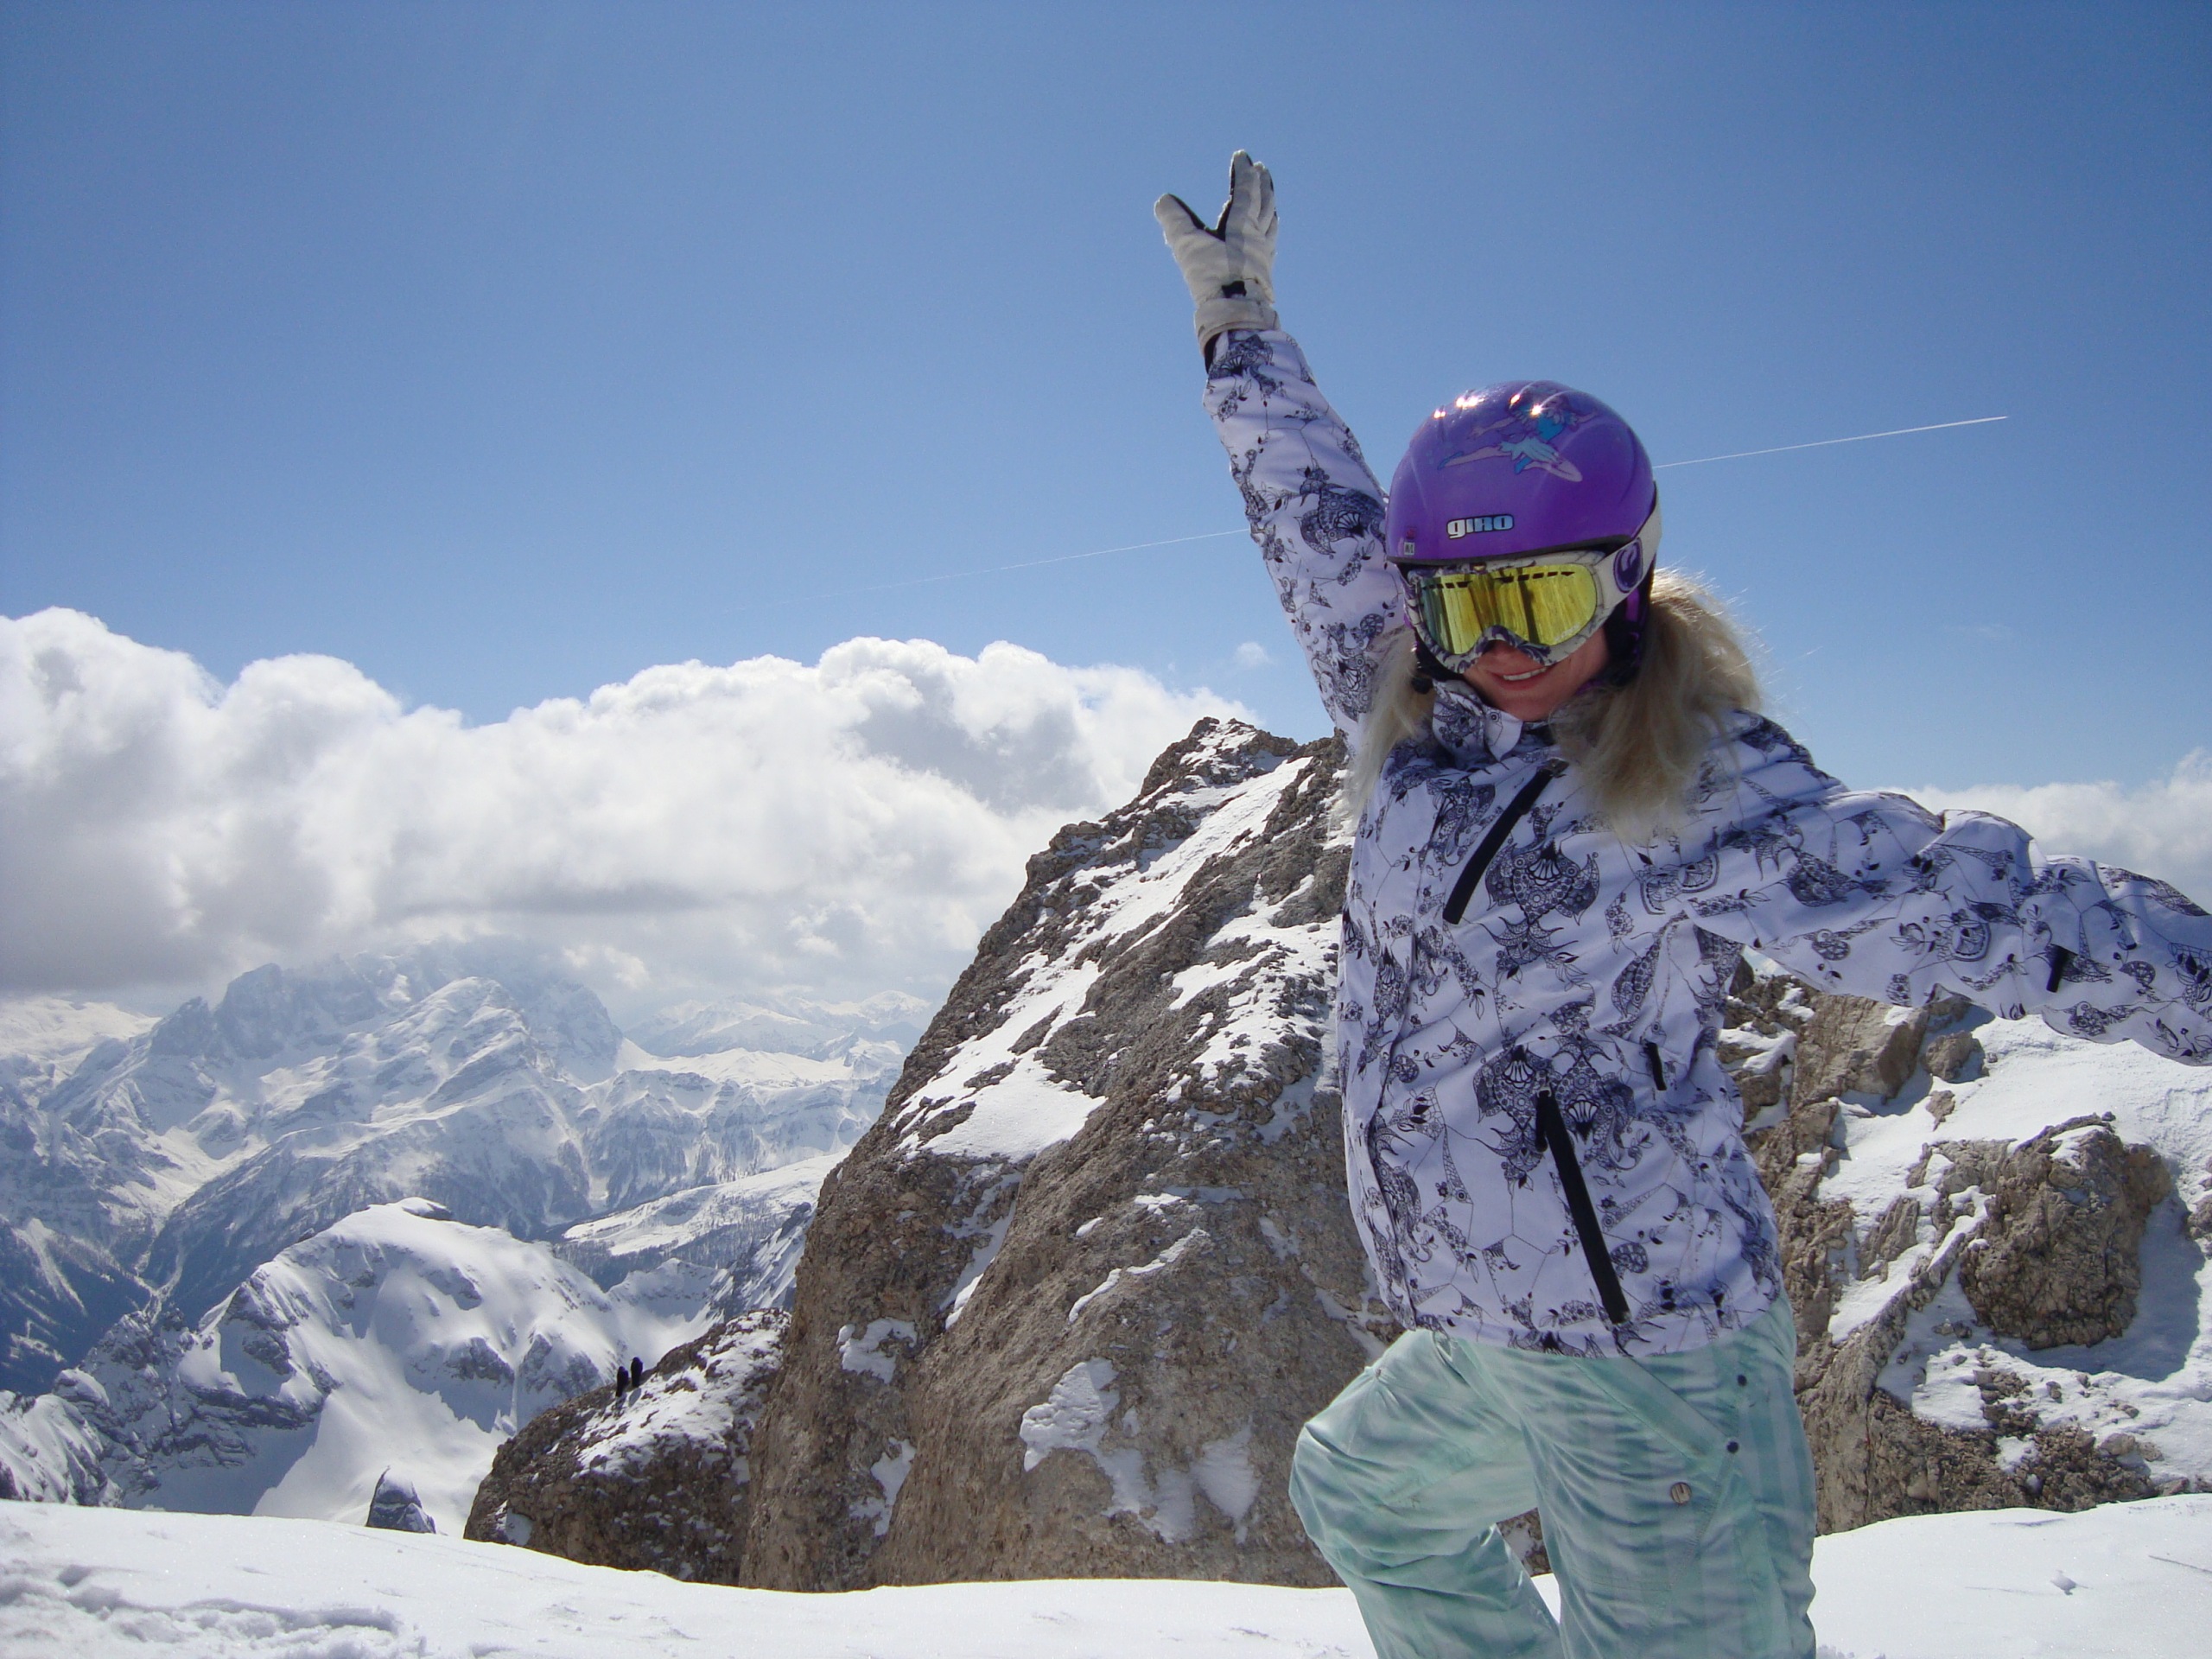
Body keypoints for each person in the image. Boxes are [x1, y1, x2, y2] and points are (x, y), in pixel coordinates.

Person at [1155, 152, 2212, 1659]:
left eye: (1540, 602)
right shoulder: (1419, 706)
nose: (1500, 650)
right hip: (1496, 1324)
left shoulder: (1693, 792)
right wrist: (1240, 334)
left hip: (1648, 1351)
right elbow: (1318, 522)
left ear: (1627, 579)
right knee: (1366, 1494)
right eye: (1461, 604)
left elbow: (1989, 907)